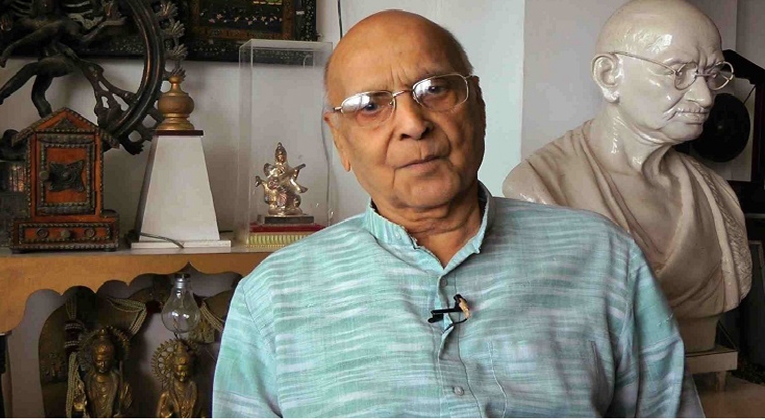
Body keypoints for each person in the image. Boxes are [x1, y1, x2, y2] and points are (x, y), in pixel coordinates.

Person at [213, 10, 703, 417]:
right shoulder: (272, 298)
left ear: (478, 106)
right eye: (370, 106)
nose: (412, 124)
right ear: (339, 139)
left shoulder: (606, 260)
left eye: (435, 89)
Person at [502, 0, 751, 353]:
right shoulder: (540, 186)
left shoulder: (716, 195)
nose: (705, 97)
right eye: (679, 71)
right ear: (609, 75)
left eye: (711, 74)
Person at [80, 328, 132, 417]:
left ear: (113, 360)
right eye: (99, 361)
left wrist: (122, 414)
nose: (103, 365)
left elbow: (130, 411)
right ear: (92, 360)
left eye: (106, 361)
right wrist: (78, 408)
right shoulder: (84, 383)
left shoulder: (122, 384)